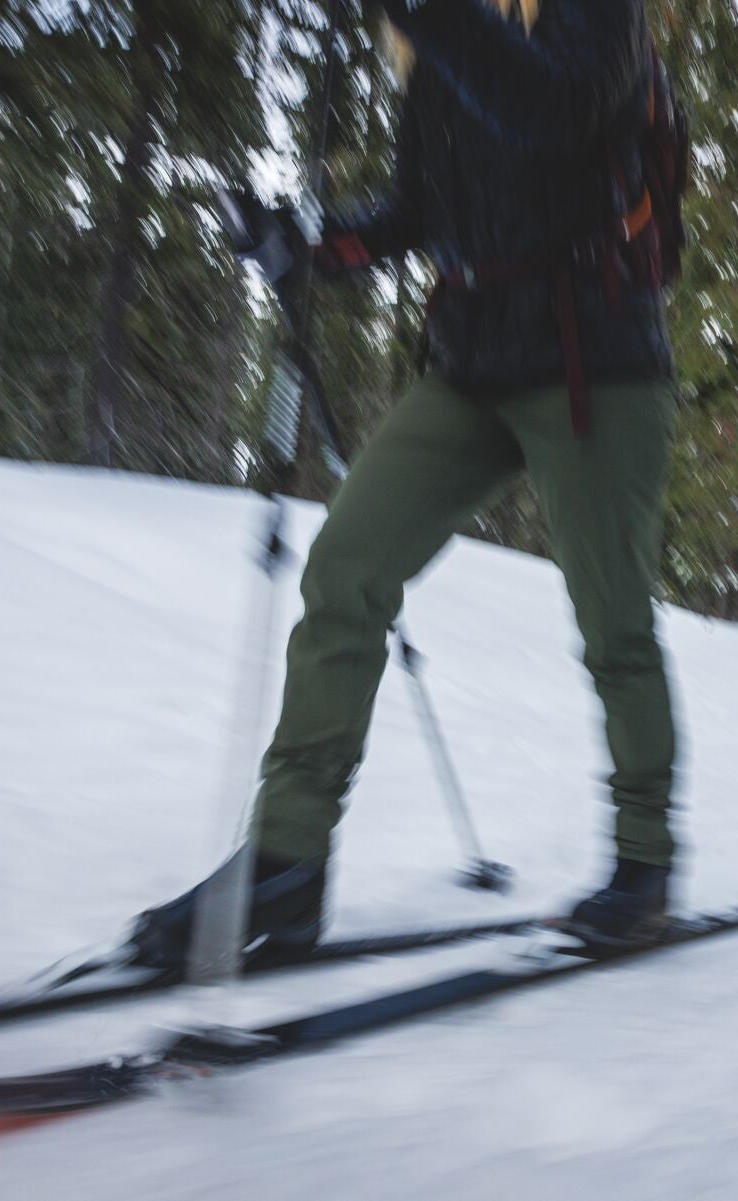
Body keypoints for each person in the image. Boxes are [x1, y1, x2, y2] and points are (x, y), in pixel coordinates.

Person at [128, 0, 681, 967]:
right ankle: (288, 863)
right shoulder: (440, 51)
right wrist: (307, 242)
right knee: (346, 566)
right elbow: (419, 212)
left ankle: (645, 864)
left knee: (613, 618)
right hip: (471, 365)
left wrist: (432, 17)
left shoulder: (598, 19)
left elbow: (546, 109)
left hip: (598, 363)